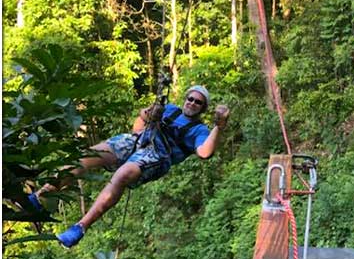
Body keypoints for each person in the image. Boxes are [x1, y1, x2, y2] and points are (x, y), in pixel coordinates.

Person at [29, 85, 231, 248]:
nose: (192, 103)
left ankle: (80, 227)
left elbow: (205, 152)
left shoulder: (199, 130)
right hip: (138, 140)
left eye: (198, 102)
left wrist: (219, 127)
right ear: (185, 99)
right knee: (84, 158)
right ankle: (40, 196)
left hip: (157, 156)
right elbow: (141, 119)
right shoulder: (170, 109)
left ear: (203, 108)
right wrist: (150, 115)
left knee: (122, 175)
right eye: (191, 99)